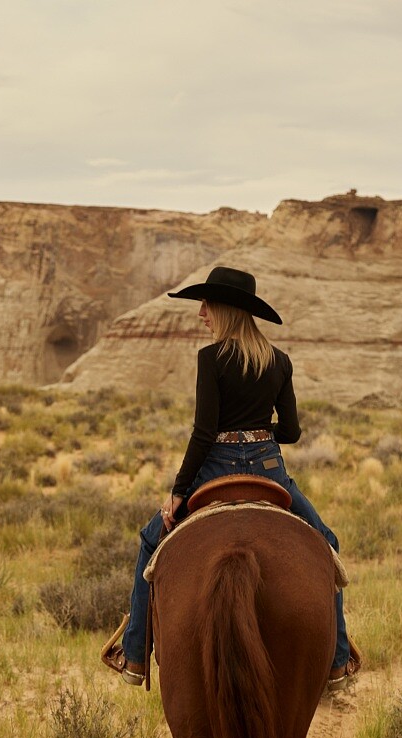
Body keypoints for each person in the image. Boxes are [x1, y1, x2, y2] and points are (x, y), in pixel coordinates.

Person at [102, 266, 354, 689]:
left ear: (224, 309)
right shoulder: (279, 361)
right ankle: (338, 661)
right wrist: (259, 435)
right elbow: (290, 432)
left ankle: (134, 657)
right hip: (269, 465)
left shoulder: (211, 358)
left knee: (151, 541)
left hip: (216, 465)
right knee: (325, 544)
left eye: (206, 304)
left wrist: (179, 492)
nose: (201, 313)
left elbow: (204, 432)